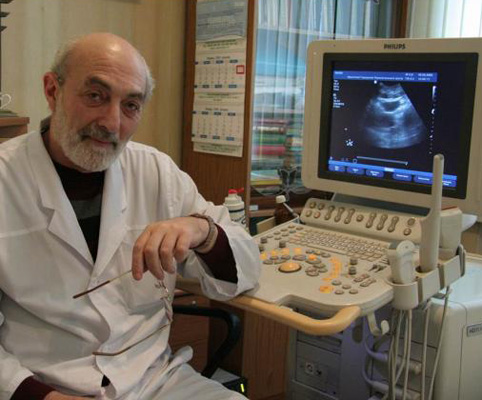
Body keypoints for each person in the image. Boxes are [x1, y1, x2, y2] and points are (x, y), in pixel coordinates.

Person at [0, 33, 261, 400]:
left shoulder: (157, 173)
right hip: (40, 387)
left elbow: (247, 266)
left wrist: (202, 231)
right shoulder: (6, 178)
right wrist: (38, 395)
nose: (112, 122)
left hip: (155, 383)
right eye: (96, 96)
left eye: (131, 105)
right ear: (52, 90)